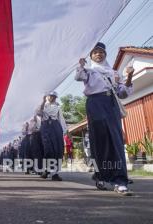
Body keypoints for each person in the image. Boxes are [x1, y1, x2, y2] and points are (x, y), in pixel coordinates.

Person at [75, 42, 134, 196]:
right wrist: (80, 65)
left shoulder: (114, 73)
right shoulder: (89, 71)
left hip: (111, 105)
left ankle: (119, 180)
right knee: (99, 141)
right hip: (95, 104)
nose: (98, 54)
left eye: (101, 52)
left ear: (105, 54)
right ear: (91, 56)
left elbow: (123, 93)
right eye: (95, 52)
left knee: (115, 140)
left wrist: (129, 76)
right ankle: (101, 175)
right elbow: (78, 77)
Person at [36, 91, 67, 181]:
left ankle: (55, 173)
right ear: (47, 97)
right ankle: (46, 170)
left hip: (56, 127)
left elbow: (61, 119)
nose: (52, 98)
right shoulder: (43, 106)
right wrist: (42, 101)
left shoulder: (58, 107)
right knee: (48, 150)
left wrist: (65, 131)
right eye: (50, 96)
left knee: (57, 149)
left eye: (54, 96)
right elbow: (38, 113)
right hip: (46, 127)